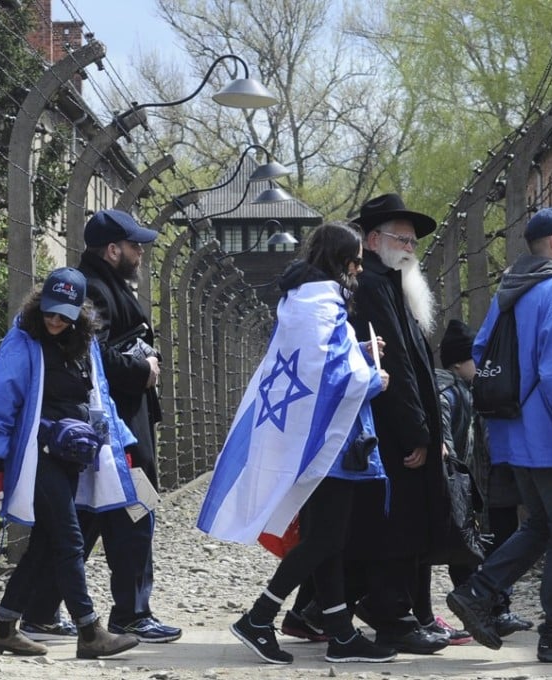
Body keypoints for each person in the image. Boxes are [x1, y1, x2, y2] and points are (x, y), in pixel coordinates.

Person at [198, 222, 395, 665]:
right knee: (326, 538)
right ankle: (259, 615)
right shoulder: (321, 303)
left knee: (328, 539)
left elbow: (317, 360)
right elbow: (322, 372)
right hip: (327, 442)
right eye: (357, 259)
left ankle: (341, 635)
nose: (361, 268)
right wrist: (370, 380)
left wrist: (359, 352)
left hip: (317, 435)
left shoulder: (306, 300)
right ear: (343, 261)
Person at [445, 206, 552, 663]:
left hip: (516, 438)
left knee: (539, 526)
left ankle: (478, 592)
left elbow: (480, 355)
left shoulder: (509, 291)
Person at [0, 267, 140, 660]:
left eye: (64, 314)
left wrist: (121, 445)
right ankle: (90, 630)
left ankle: (3, 627)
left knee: (45, 545)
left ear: (81, 313)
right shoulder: (23, 342)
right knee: (70, 539)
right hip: (35, 456)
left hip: (70, 457)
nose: (55, 320)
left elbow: (101, 400)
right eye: (49, 311)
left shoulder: (86, 344)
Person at [66, 209, 180, 643]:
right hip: (117, 428)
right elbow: (93, 357)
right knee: (135, 512)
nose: (141, 254)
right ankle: (131, 613)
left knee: (91, 516)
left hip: (120, 423)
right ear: (113, 250)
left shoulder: (102, 283)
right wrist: (142, 367)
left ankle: (37, 605)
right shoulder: (94, 288)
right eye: (135, 247)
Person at [343, 193, 450, 654]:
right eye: (400, 238)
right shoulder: (372, 285)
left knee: (399, 523)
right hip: (389, 433)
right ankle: (392, 616)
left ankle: (394, 611)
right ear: (372, 239)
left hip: (398, 428)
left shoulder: (388, 282)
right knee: (395, 524)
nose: (409, 247)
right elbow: (398, 370)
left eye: (411, 241)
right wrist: (418, 433)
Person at [434, 319, 533, 640]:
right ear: (460, 362)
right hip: (468, 488)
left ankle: (492, 610)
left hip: (477, 487)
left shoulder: (469, 389)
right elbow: (446, 432)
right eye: (477, 357)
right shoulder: (451, 390)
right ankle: (481, 609)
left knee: (472, 552)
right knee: (470, 551)